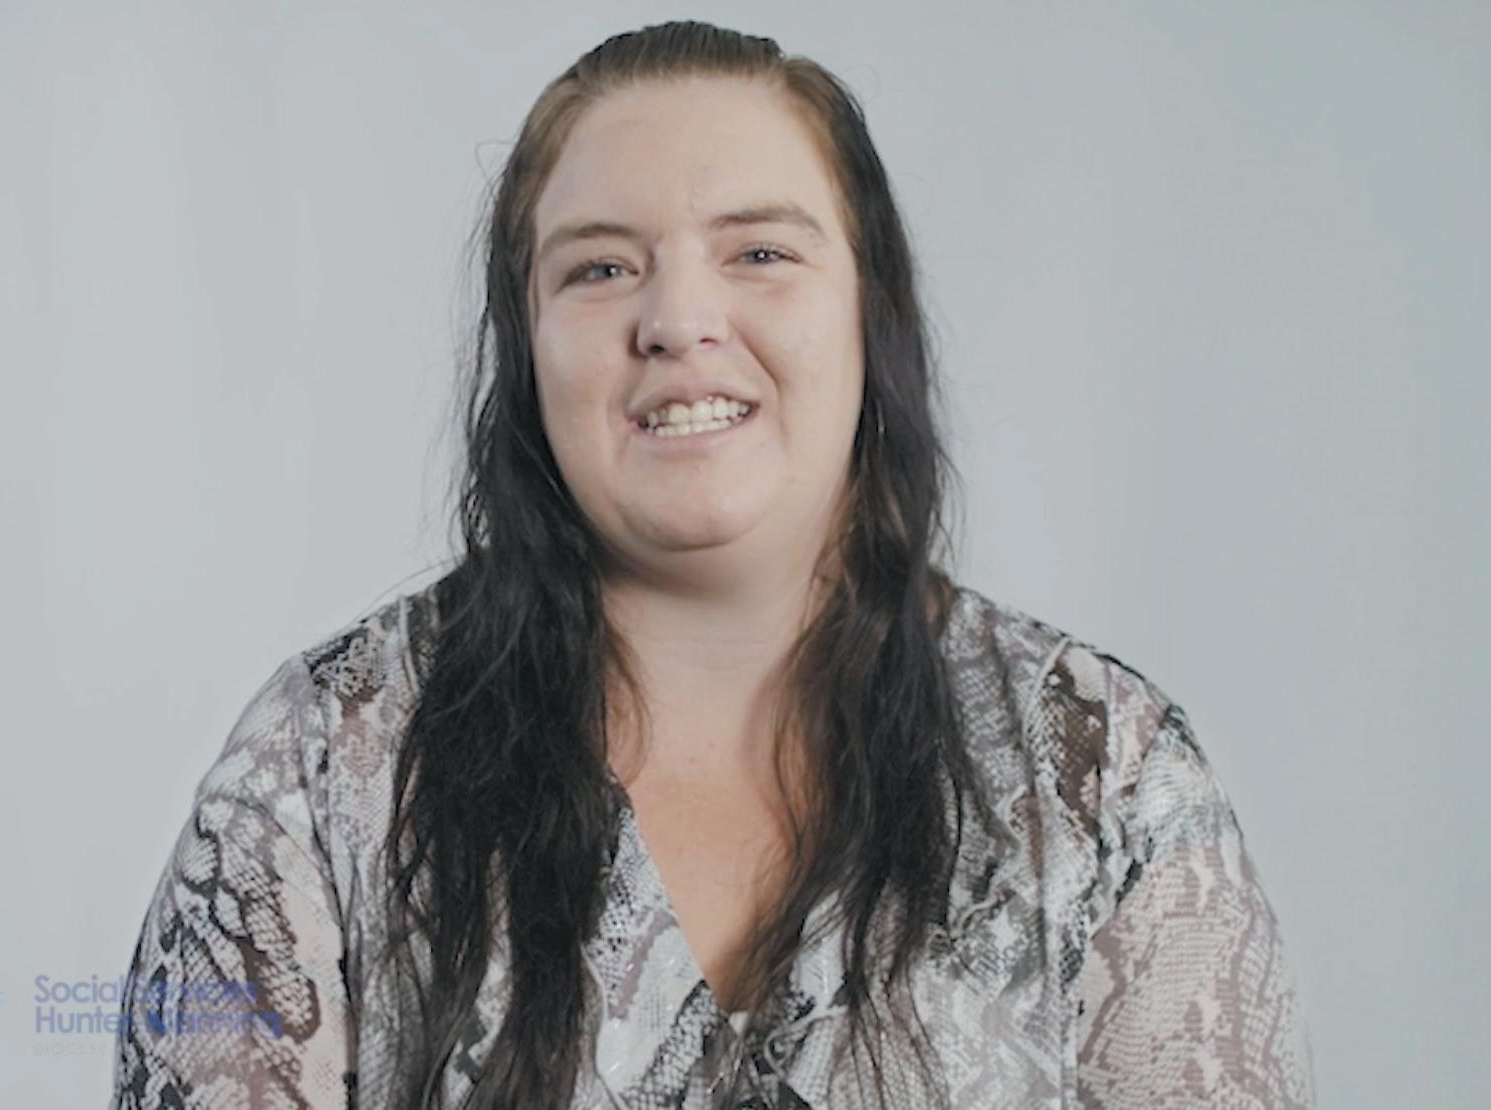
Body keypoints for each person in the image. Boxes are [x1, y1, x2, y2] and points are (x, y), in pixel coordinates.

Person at [111, 20, 1315, 1109]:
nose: (678, 321)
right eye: (600, 267)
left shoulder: (1106, 775)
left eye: (760, 254)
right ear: (527, 349)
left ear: (869, 312)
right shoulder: (322, 770)